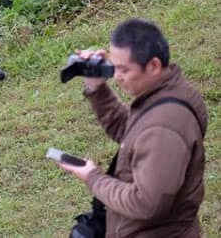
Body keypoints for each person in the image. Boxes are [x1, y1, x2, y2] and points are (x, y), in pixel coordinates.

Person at [58, 18, 207, 237]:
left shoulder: (164, 129)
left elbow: (145, 204)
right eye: (114, 67)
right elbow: (132, 132)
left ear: (154, 65)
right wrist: (95, 87)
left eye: (123, 70)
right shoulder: (170, 91)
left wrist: (94, 178)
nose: (116, 77)